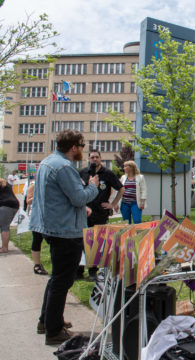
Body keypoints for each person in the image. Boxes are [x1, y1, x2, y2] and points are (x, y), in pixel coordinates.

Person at [29, 129, 99, 345]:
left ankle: (47, 320)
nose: (82, 150)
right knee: (62, 281)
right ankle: (54, 331)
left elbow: (58, 198)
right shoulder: (65, 167)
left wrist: (81, 208)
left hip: (53, 228)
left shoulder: (48, 162)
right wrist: (93, 187)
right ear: (73, 147)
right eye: (82, 146)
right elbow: (78, 197)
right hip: (66, 232)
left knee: (56, 279)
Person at [79, 150, 124, 280]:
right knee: (82, 241)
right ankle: (79, 269)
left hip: (100, 212)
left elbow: (121, 188)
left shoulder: (107, 173)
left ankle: (93, 270)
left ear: (101, 158)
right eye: (92, 157)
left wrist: (112, 203)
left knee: (96, 242)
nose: (94, 159)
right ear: (88, 159)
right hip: (84, 212)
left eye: (97, 157)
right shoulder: (82, 173)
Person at [25, 181, 48, 274]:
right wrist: (40, 195)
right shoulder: (34, 185)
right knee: (37, 239)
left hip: (49, 215)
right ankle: (37, 265)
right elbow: (28, 200)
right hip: (37, 216)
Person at [0, 178, 19, 253]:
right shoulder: (4, 182)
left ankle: (4, 248)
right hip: (13, 206)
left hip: (5, 206)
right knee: (4, 226)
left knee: (4, 227)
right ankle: (4, 247)